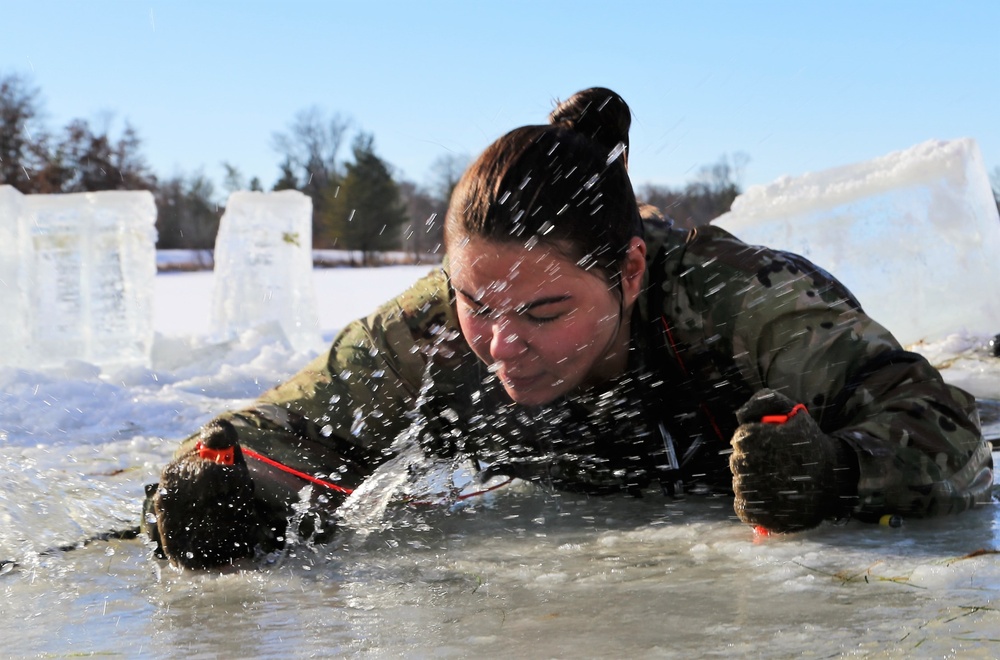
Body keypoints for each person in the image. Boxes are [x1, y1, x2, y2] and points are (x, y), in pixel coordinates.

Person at [143, 87, 994, 569]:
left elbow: (950, 432)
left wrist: (835, 473)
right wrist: (216, 490)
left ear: (627, 274)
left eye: (544, 312)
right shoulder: (435, 330)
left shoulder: (743, 303)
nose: (502, 344)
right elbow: (270, 432)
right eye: (478, 303)